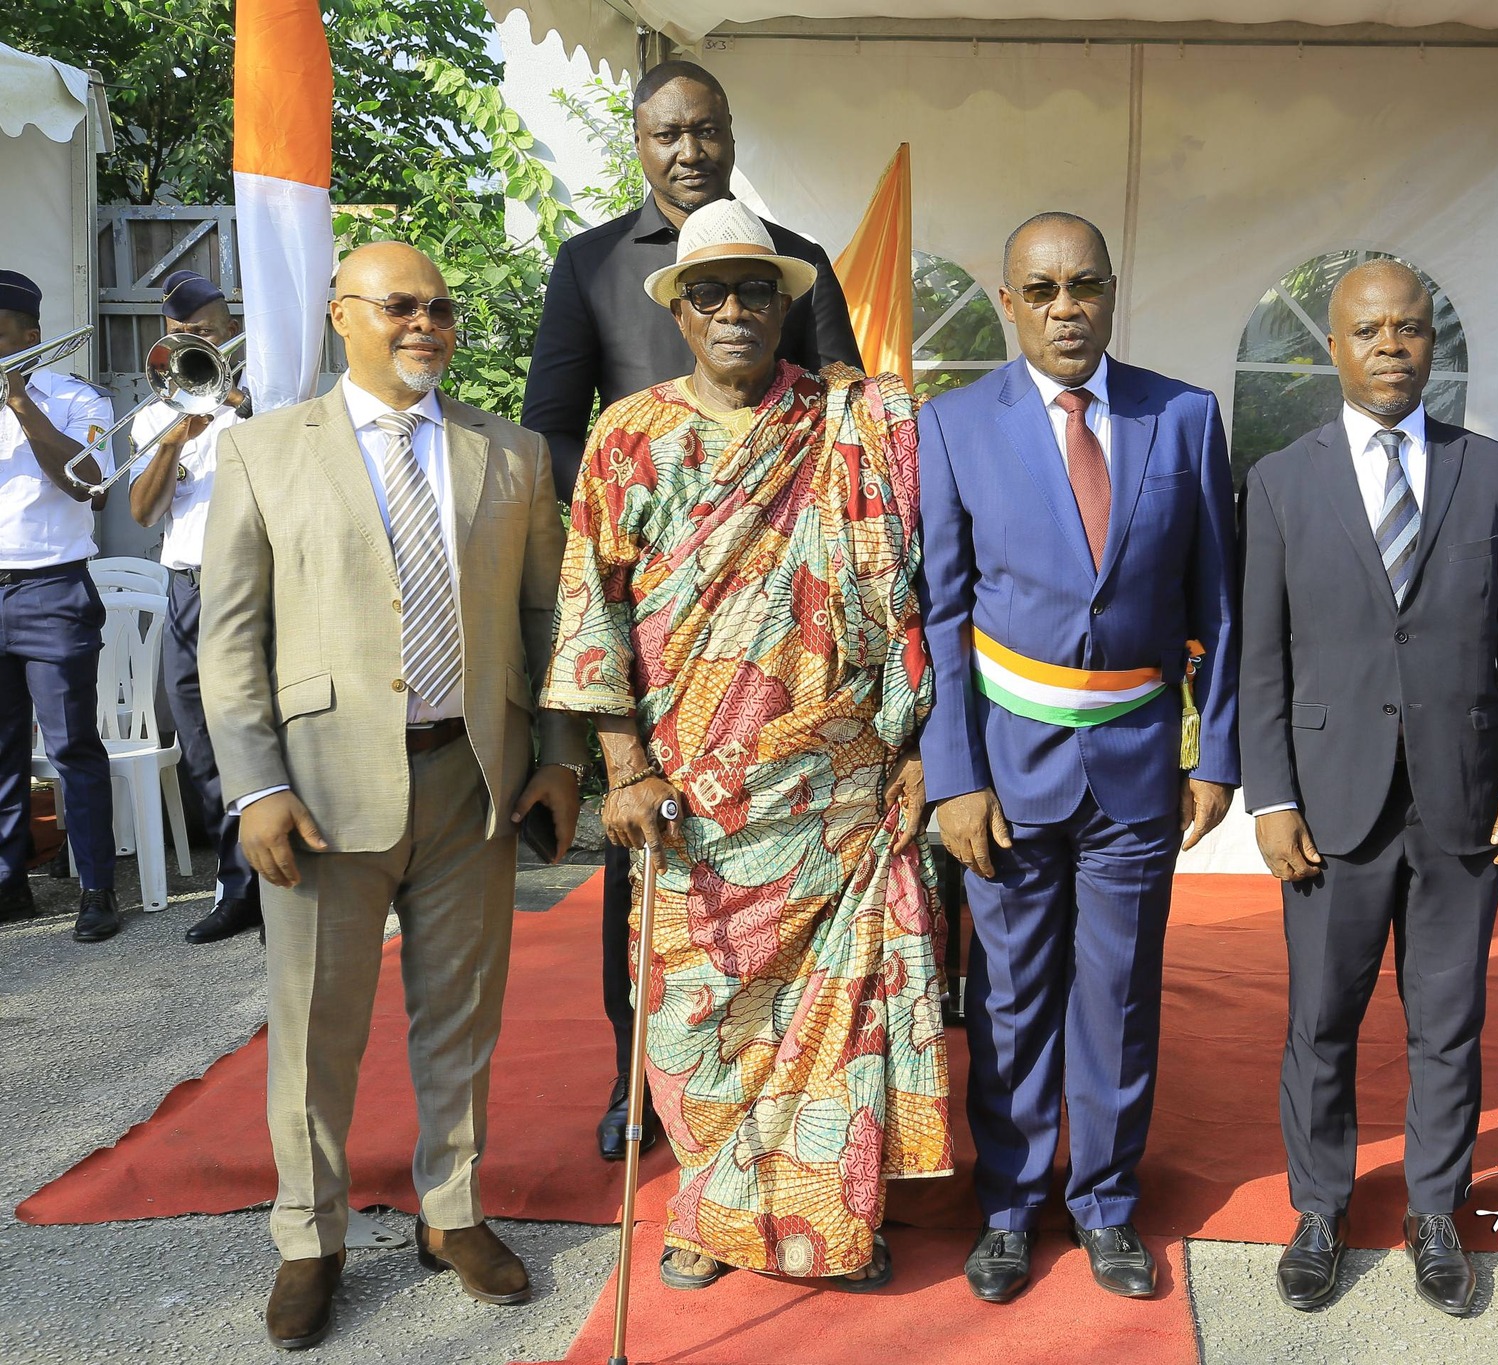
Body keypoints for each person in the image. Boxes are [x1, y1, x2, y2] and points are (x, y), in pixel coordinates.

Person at [541, 197, 950, 1292]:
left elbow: (927, 595)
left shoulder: (857, 425)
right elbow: (594, 614)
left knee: (831, 1008)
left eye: (755, 290)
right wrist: (620, 768)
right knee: (700, 1016)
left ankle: (832, 1215)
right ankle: (713, 1211)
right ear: (677, 311)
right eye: (710, 291)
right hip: (692, 791)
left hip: (839, 783)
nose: (734, 309)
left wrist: (922, 748)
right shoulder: (628, 437)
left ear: (784, 305)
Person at [199, 242, 584, 1351]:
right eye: (402, 305)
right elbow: (229, 643)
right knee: (317, 1027)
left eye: (441, 308)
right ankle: (307, 1238)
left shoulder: (509, 454)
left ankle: (451, 1212)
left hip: (474, 783)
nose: (427, 323)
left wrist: (557, 759)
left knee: (460, 1016)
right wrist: (256, 786)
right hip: (319, 792)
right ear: (341, 316)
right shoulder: (264, 452)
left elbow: (547, 623)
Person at [521, 57, 862, 1162]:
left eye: (705, 129)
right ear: (639, 140)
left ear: (728, 132)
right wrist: (652, 516)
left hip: (793, 628)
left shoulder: (796, 259)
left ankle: (794, 1115)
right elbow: (553, 425)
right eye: (666, 132)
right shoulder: (586, 263)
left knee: (804, 900)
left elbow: (846, 424)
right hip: (658, 605)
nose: (688, 149)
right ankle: (643, 1084)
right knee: (653, 888)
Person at [918, 212, 1239, 1304]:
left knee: (1116, 997)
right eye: (1042, 290)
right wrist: (954, 777)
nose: (1067, 308)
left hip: (1138, 762)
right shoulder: (955, 426)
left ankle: (1102, 1203)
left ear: (1110, 292)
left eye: (1085, 286)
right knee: (1008, 998)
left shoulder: (1183, 417)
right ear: (1007, 303)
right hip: (1005, 770)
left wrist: (1218, 756)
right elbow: (941, 620)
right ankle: (1006, 1207)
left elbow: (1218, 605)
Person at [1238, 259, 1498, 1317]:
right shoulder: (1282, 482)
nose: (1390, 346)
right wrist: (1269, 797)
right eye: (1368, 330)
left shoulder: (1495, 474)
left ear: (1434, 345)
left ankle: (1433, 1210)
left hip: (1461, 799)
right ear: (1331, 348)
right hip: (1329, 805)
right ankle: (1320, 1208)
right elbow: (1262, 661)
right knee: (1320, 1021)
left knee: (1447, 1019)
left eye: (1410, 329)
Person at [127, 270, 261, 944]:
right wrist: (178, 433)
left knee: (254, 730)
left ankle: (255, 882)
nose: (191, 345)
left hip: (247, 582)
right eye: (180, 335)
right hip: (184, 583)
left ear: (229, 331)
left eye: (203, 333)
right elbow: (144, 509)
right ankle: (239, 881)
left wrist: (238, 407)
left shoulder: (261, 400)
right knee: (200, 744)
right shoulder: (157, 414)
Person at [0, 268, 121, 942]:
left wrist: (22, 406)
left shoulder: (78, 399)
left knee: (73, 744)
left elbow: (89, 482)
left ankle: (96, 886)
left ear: (30, 336)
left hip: (51, 589)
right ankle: (7, 883)